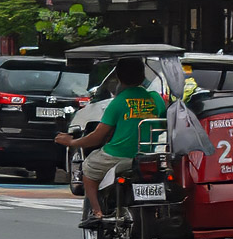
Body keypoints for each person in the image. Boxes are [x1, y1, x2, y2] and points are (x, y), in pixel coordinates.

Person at [54, 56, 164, 229]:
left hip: (118, 155)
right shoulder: (156, 99)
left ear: (118, 77)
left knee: (88, 168)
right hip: (148, 155)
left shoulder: (118, 102)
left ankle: (97, 213)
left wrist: (72, 142)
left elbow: (97, 137)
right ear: (143, 76)